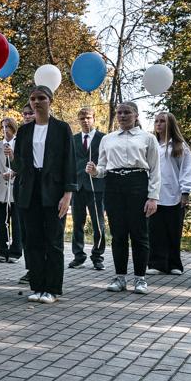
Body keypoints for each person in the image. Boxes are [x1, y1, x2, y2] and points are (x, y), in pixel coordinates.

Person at [8, 86, 76, 304]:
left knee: (53, 240)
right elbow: (19, 162)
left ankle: (53, 288)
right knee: (33, 240)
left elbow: (69, 162)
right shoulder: (25, 131)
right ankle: (37, 286)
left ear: (50, 101)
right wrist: (11, 160)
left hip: (53, 189)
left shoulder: (61, 128)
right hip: (28, 190)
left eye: (41, 98)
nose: (37, 102)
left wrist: (67, 194)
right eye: (33, 98)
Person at [87, 102, 160, 295]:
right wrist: (95, 171)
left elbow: (155, 170)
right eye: (119, 113)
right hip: (113, 185)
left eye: (127, 112)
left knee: (139, 233)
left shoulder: (148, 138)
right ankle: (120, 277)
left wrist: (153, 197)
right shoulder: (108, 139)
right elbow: (103, 167)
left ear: (136, 115)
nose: (122, 116)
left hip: (138, 182)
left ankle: (140, 278)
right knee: (118, 233)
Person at [147, 112, 191, 276]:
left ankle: (174, 264)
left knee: (173, 230)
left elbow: (187, 170)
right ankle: (156, 263)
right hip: (154, 194)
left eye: (162, 121)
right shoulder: (152, 144)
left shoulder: (179, 146)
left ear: (170, 124)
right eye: (156, 121)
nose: (158, 124)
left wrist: (185, 192)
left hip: (174, 194)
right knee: (155, 231)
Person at [70, 107, 106, 270]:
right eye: (82, 118)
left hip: (96, 186)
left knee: (98, 223)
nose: (85, 121)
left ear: (94, 119)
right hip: (78, 186)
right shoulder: (73, 139)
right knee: (77, 222)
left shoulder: (103, 138)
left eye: (88, 118)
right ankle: (78, 256)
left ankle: (97, 256)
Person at [0, 117, 22, 264]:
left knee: (16, 222)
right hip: (0, 189)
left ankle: (16, 252)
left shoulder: (20, 144)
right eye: (3, 127)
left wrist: (14, 173)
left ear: (13, 128)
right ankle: (2, 251)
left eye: (8, 127)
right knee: (1, 222)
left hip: (15, 188)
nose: (5, 130)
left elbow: (23, 164)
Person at [16, 104, 36, 284]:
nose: (28, 116)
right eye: (25, 113)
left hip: (41, 189)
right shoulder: (21, 133)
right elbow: (17, 165)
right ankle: (30, 269)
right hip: (22, 188)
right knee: (27, 233)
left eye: (31, 113)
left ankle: (41, 269)